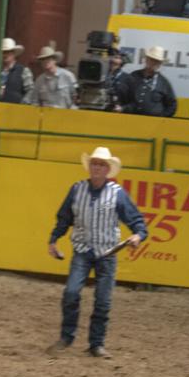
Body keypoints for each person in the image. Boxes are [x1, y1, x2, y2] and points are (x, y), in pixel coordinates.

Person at [47, 147, 147, 359]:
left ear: (108, 169)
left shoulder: (117, 194)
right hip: (83, 250)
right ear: (89, 166)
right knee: (71, 293)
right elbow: (64, 218)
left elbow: (136, 220)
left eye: (101, 164)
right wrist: (54, 239)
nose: (97, 167)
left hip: (107, 252)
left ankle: (96, 343)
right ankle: (67, 337)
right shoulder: (77, 189)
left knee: (103, 300)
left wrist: (138, 235)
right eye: (94, 163)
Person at [113, 46, 176, 116]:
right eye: (152, 60)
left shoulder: (164, 82)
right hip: (130, 119)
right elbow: (123, 96)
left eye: (157, 61)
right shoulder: (133, 76)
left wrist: (161, 119)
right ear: (146, 60)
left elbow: (172, 106)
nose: (154, 63)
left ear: (160, 64)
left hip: (153, 124)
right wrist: (122, 108)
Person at [0, 37, 33, 103]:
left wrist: (22, 104)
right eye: (3, 52)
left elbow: (31, 91)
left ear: (14, 53)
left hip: (14, 110)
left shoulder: (24, 71)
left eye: (8, 52)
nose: (5, 55)